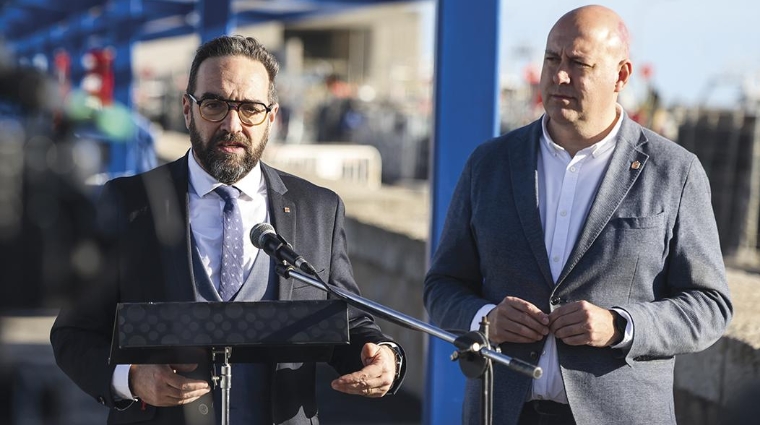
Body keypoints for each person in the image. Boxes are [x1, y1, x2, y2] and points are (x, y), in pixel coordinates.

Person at [51, 35, 405, 425]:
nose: (233, 124)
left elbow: (347, 318)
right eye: (215, 104)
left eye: (250, 108)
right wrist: (132, 379)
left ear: (271, 118)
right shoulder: (126, 204)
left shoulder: (318, 209)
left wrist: (383, 354)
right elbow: (74, 334)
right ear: (187, 110)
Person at [423, 5, 731, 425]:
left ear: (621, 75)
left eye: (578, 63)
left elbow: (709, 304)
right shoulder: (490, 163)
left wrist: (621, 326)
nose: (559, 75)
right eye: (552, 58)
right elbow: (442, 285)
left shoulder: (674, 171)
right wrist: (486, 319)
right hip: (502, 411)